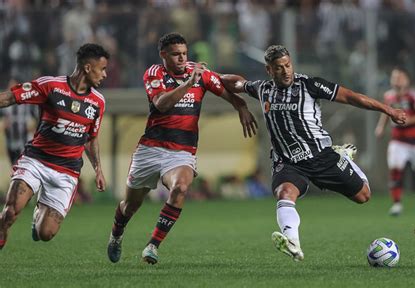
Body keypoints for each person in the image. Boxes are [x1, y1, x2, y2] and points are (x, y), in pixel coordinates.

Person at [220, 45, 406, 261]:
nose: (286, 71)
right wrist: (207, 76)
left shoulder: (310, 85)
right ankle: (293, 243)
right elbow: (235, 83)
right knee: (284, 193)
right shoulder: (262, 89)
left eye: (288, 65)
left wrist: (388, 110)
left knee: (363, 196)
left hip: (321, 156)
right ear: (269, 70)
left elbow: (352, 97)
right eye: (279, 68)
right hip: (287, 162)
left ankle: (343, 156)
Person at [106, 32, 257, 265]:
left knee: (181, 187)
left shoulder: (197, 72)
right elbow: (161, 104)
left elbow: (223, 84)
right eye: (176, 54)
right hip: (150, 148)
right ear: (163, 55)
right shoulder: (154, 74)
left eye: (185, 54)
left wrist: (241, 104)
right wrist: (190, 83)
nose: (182, 59)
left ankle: (152, 245)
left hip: (181, 151)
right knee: (131, 205)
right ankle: (116, 235)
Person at [0, 43, 109, 249]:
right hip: (36, 161)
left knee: (46, 233)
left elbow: (91, 138)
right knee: (10, 212)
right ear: (87, 68)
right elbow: (11, 97)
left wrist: (98, 169)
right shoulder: (51, 86)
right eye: (102, 69)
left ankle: (37, 217)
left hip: (67, 172)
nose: (105, 74)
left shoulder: (98, 102)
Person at [375, 67, 415, 216]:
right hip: (398, 141)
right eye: (394, 77)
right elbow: (386, 113)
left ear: (406, 80)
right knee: (395, 171)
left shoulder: (413, 96)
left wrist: (410, 120)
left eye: (400, 77)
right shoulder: (389, 96)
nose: (397, 80)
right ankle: (397, 204)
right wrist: (380, 127)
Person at [0, 77, 38, 166]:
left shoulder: (27, 101)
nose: (11, 88)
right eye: (10, 86)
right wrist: (3, 124)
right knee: (13, 165)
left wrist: (33, 125)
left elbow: (36, 117)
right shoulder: (6, 103)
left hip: (24, 139)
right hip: (10, 139)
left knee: (22, 164)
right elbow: (2, 119)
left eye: (13, 86)